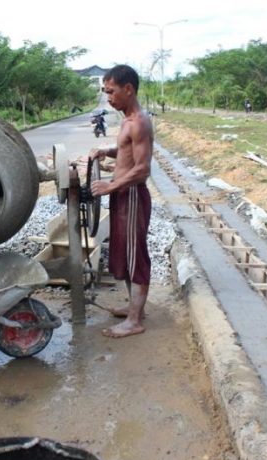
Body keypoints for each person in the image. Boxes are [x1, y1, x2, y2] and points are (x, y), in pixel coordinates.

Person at [89, 64, 153, 338]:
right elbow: (126, 151)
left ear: (128, 89)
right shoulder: (126, 120)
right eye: (105, 92)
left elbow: (142, 168)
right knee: (125, 255)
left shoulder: (139, 121)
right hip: (122, 196)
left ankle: (135, 321)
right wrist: (107, 151)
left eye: (111, 92)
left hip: (133, 197)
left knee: (135, 256)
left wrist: (110, 186)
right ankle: (133, 309)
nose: (108, 98)